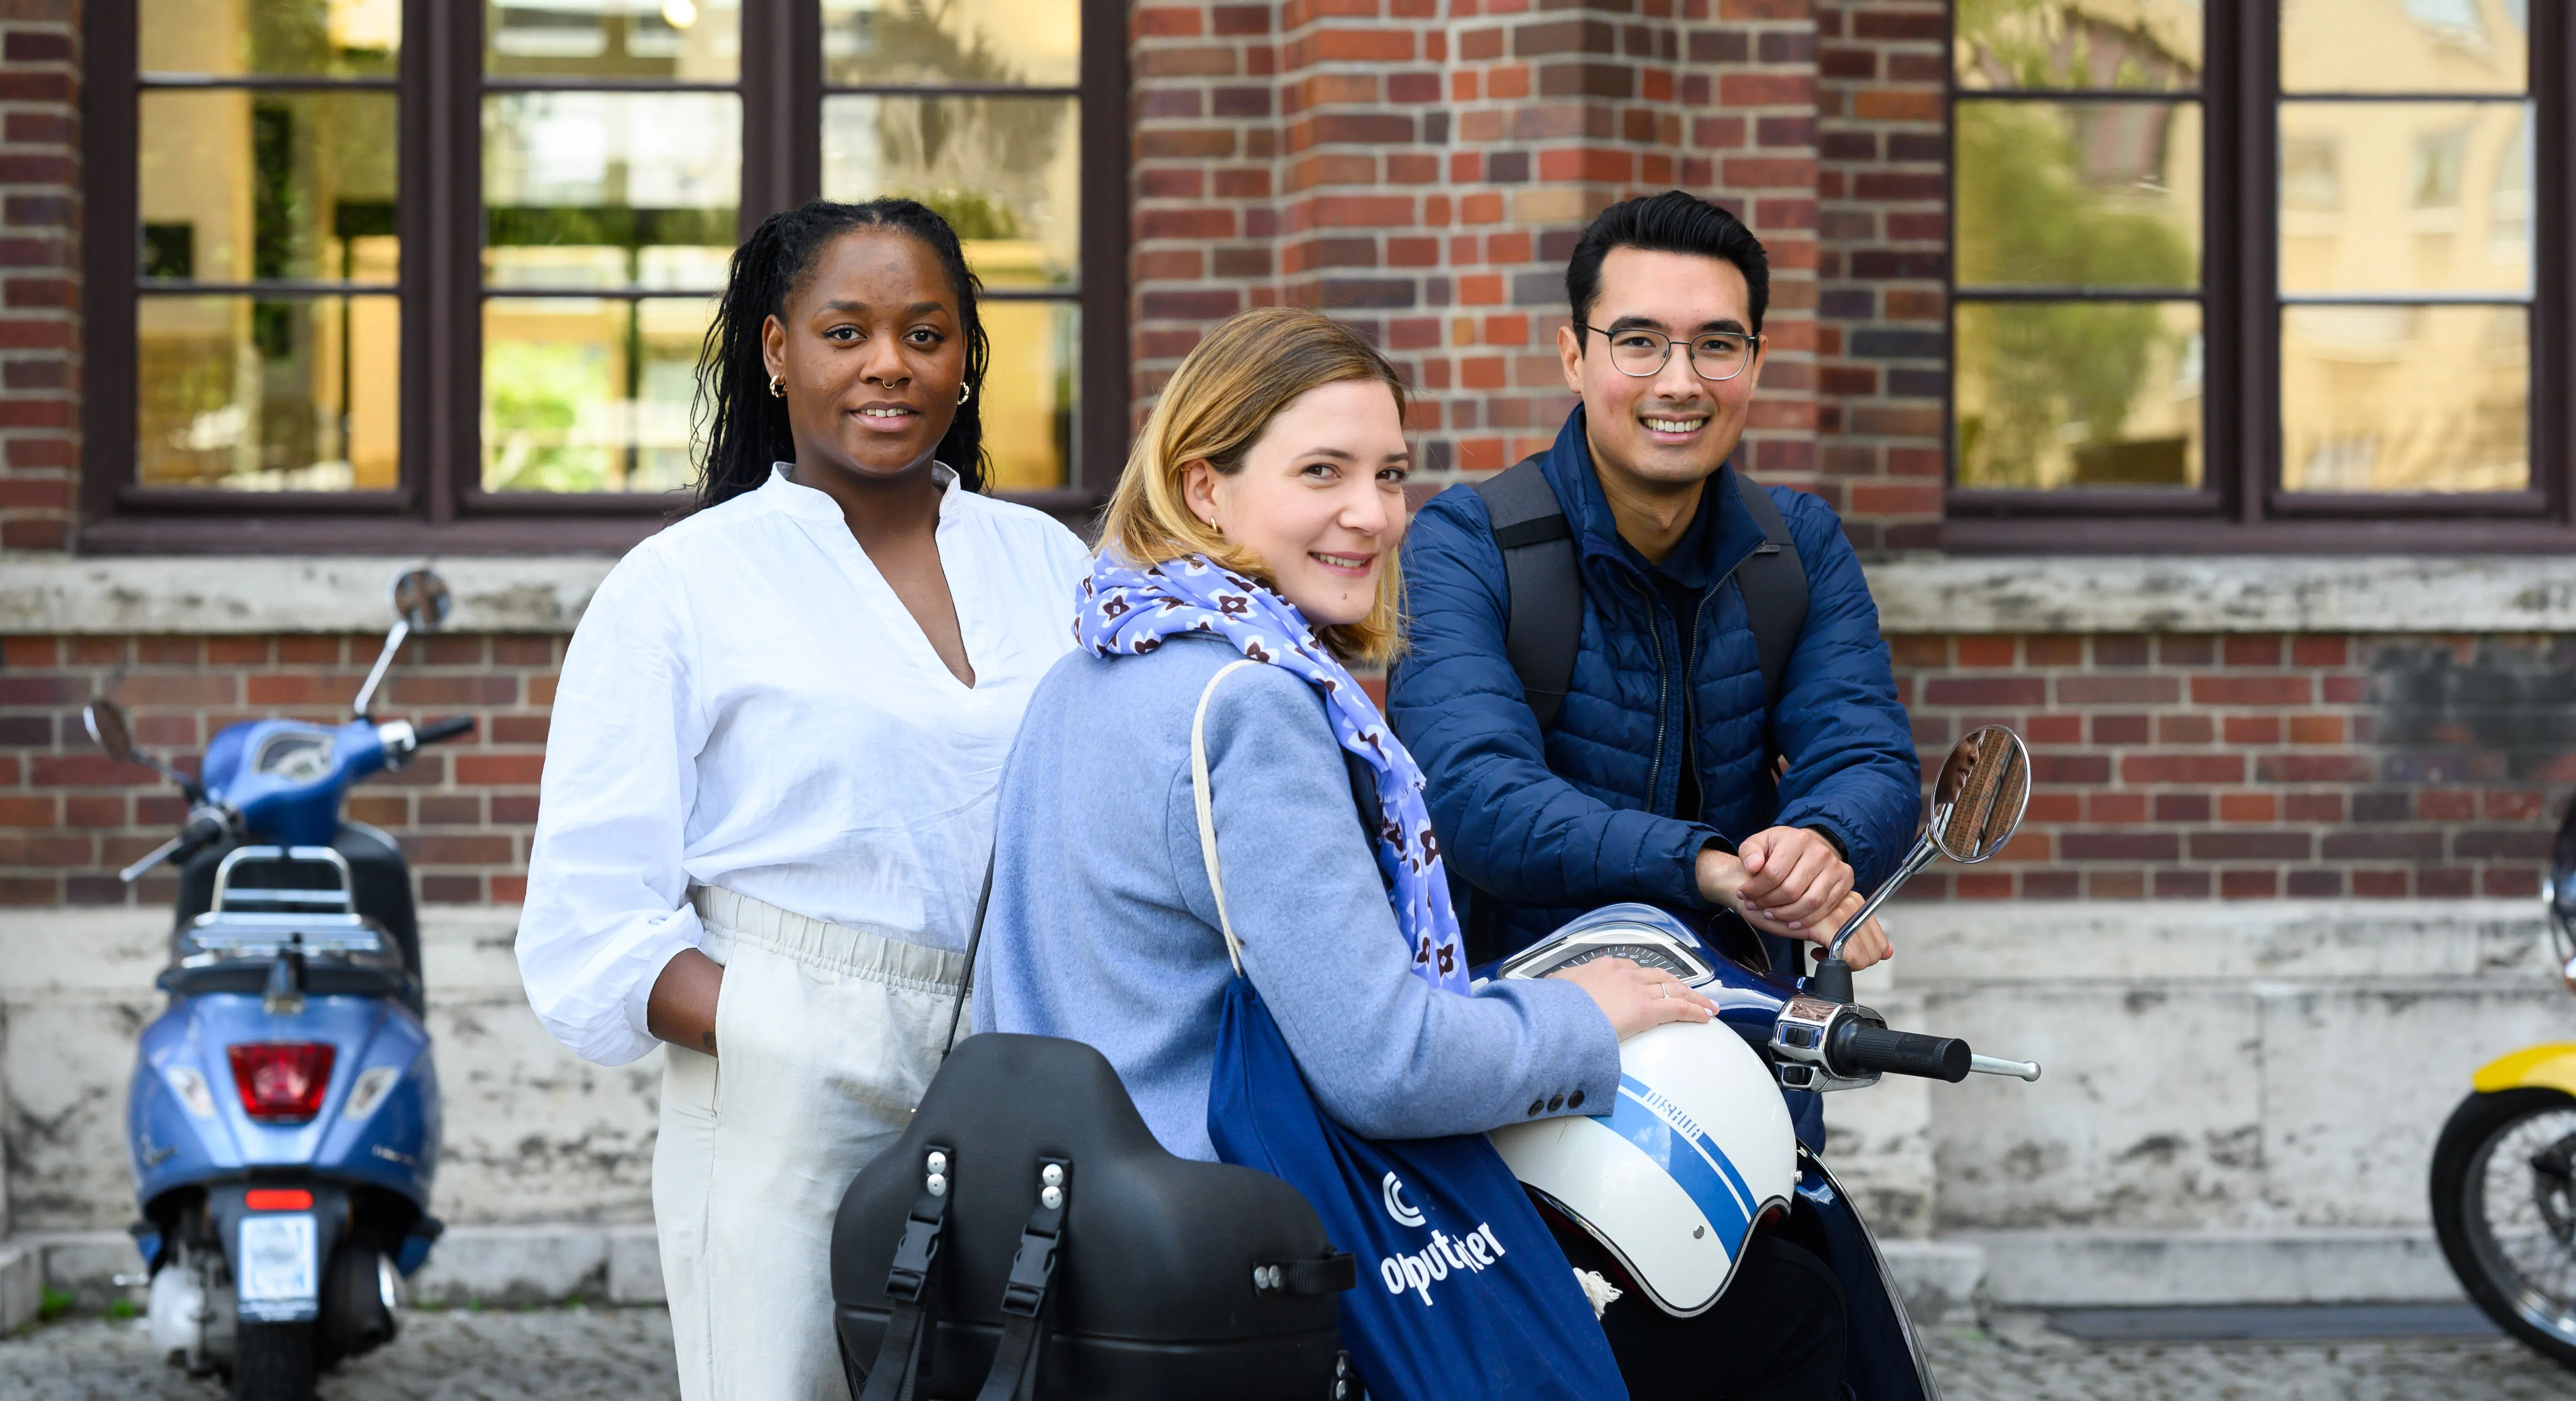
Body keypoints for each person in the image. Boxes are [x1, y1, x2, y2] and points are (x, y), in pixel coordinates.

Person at [515, 199, 1087, 1401]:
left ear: (969, 360)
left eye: (927, 334)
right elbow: (590, 917)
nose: (890, 364)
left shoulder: (1047, 563)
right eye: (846, 332)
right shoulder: (683, 587)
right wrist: (778, 1032)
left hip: (1020, 1051)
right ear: (778, 352)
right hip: (787, 1049)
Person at [1387, 190, 1917, 1397]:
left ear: (1755, 361)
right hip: (1519, 1083)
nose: (1679, 379)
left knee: (1802, 1350)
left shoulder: (1800, 548)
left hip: (1739, 1074)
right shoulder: (1467, 544)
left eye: (1716, 344)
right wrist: (1711, 865)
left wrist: (1816, 849)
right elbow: (1474, 796)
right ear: (1575, 353)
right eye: (1640, 342)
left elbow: (1868, 754)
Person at [974, 304, 1710, 1167]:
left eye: (1390, 475)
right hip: (1222, 1242)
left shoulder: (1093, 665)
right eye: (1324, 472)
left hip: (1063, 1220)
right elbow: (1388, 1065)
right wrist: (1582, 1014)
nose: (1375, 516)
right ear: (1203, 490)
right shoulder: (1252, 706)